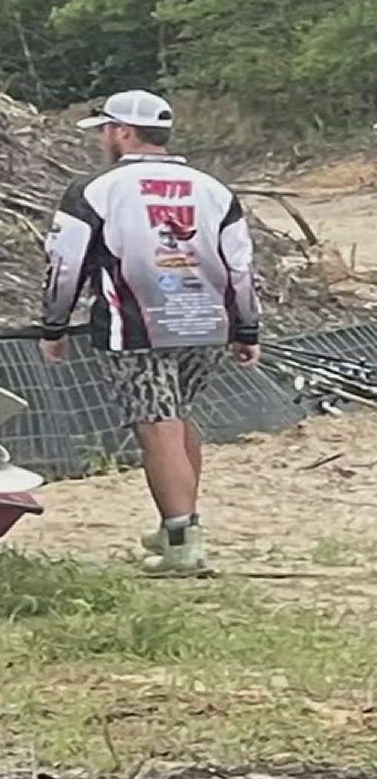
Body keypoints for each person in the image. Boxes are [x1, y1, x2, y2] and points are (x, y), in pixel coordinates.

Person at [40, 90, 262, 577]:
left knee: (156, 428)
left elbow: (65, 263)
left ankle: (183, 540)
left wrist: (53, 324)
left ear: (122, 132)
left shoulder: (95, 190)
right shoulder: (214, 189)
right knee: (179, 419)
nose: (102, 139)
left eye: (104, 130)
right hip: (206, 323)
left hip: (137, 323)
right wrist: (247, 327)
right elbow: (241, 267)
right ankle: (178, 526)